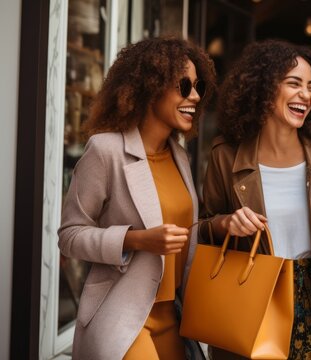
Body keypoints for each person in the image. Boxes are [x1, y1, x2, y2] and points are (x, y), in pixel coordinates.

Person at [58, 37, 215, 360]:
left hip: (173, 318)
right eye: (184, 85)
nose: (195, 96)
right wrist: (137, 239)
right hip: (123, 317)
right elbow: (70, 236)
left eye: (198, 85)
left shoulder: (180, 158)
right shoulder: (106, 151)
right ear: (150, 86)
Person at [200, 39, 311, 359]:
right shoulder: (225, 155)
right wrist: (226, 223)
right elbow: (201, 229)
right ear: (263, 88)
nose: (306, 95)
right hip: (249, 291)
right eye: (293, 83)